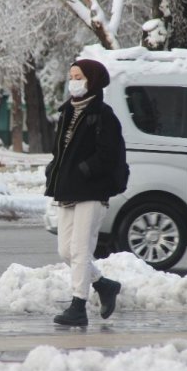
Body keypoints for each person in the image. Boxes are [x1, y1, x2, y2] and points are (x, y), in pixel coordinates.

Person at [44, 58, 125, 326]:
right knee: (66, 251)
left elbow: (110, 154)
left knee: (80, 250)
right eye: (71, 76)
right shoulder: (67, 111)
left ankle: (78, 307)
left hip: (91, 191)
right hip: (67, 189)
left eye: (78, 76)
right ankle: (103, 285)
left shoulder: (103, 114)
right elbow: (60, 151)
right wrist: (53, 170)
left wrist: (84, 170)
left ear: (92, 80)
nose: (73, 81)